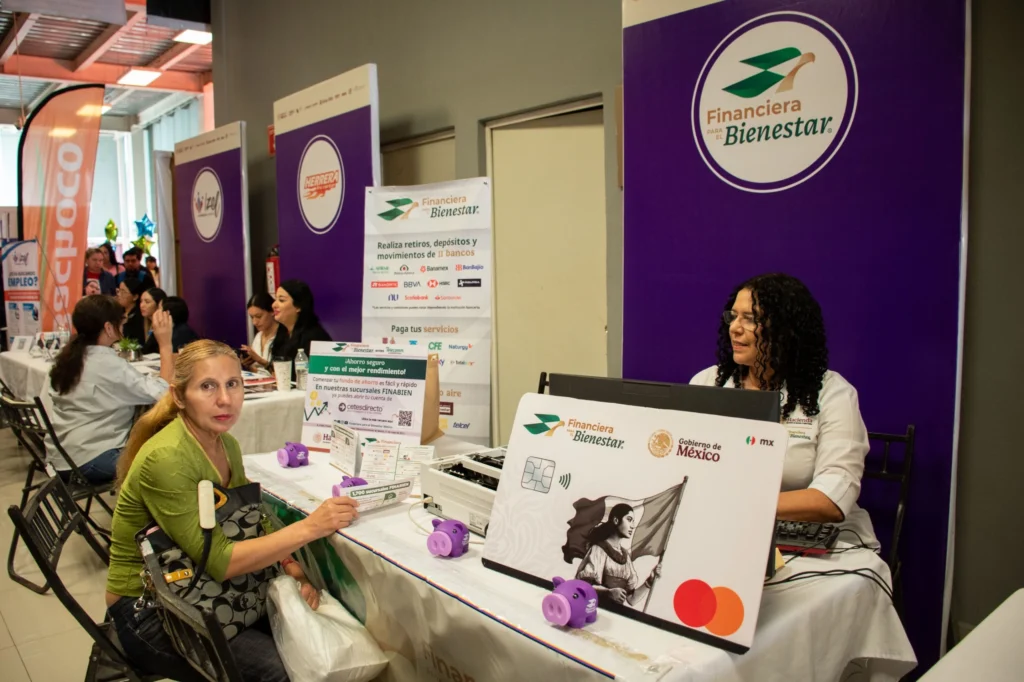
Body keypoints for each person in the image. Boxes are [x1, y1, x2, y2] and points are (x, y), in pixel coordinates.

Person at [105, 340, 360, 681]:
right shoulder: (167, 458)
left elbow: (251, 518)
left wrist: (290, 567)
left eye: (233, 384)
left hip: (200, 588)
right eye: (207, 386)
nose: (225, 399)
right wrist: (311, 527)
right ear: (179, 396)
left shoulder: (226, 444)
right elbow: (221, 561)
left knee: (317, 642)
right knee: (289, 669)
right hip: (152, 610)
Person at [690, 273, 876, 545]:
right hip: (726, 532)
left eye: (750, 319)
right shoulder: (708, 382)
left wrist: (740, 506)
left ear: (785, 330)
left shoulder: (832, 393)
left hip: (816, 539)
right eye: (733, 316)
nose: (735, 328)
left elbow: (831, 500)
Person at [41, 295, 173, 484]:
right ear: (109, 328)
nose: (123, 327)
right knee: (165, 461)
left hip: (63, 456)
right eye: (120, 323)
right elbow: (163, 393)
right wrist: (165, 345)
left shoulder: (69, 358)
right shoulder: (107, 364)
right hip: (90, 459)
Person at [575, 503, 661, 607]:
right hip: (596, 608)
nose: (632, 526)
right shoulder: (599, 549)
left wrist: (650, 581)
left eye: (633, 521)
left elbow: (631, 599)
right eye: (629, 519)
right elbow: (584, 586)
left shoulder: (626, 557)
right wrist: (608, 592)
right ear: (616, 520)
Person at [270, 280, 330, 380]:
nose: (274, 305)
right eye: (275, 299)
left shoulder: (315, 337)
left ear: (298, 306)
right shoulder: (283, 333)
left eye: (281, 300)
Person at [241, 293, 278, 370]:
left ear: (272, 311)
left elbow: (284, 370)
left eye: (259, 316)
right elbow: (257, 370)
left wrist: (259, 360)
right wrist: (247, 365)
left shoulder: (284, 336)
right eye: (252, 317)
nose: (254, 322)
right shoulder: (258, 336)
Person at [117, 279, 147, 346]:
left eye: (123, 292)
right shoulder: (116, 312)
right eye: (119, 290)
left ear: (135, 297)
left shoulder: (140, 318)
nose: (119, 294)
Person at [138, 288, 167, 354]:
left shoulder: (163, 325)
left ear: (159, 304)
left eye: (147, 302)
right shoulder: (145, 323)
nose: (142, 305)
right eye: (141, 301)